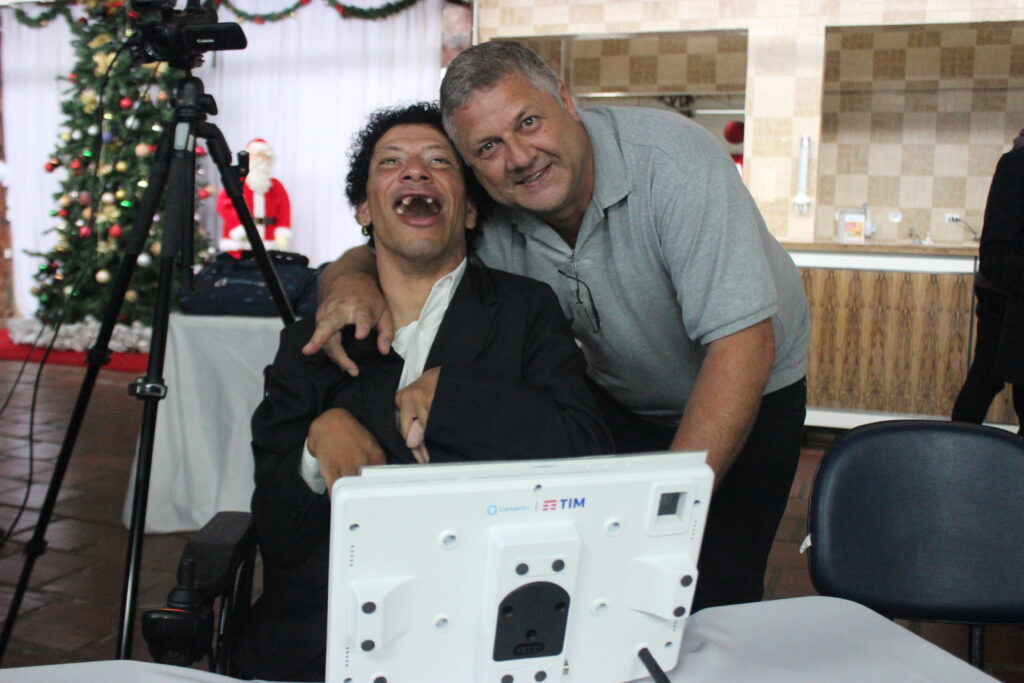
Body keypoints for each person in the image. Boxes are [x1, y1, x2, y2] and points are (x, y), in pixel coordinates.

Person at [307, 41, 811, 613]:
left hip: (748, 385)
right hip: (620, 399)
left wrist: (664, 512)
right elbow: (400, 242)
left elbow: (743, 344)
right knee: (605, 584)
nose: (519, 157)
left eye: (528, 122)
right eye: (488, 146)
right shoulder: (492, 207)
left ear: (566, 101)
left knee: (714, 587)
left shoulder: (673, 163)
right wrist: (348, 278)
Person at [237, 102, 611, 681]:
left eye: (439, 161)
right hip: (332, 636)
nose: (415, 171)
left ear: (469, 210)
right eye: (391, 162)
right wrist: (316, 447)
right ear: (365, 209)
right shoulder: (312, 340)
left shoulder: (526, 311)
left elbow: (587, 452)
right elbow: (279, 537)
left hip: (487, 630)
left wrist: (456, 400)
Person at [951, 140, 1024, 433]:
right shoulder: (1016, 166)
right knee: (986, 376)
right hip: (1005, 300)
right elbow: (994, 255)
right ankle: (955, 450)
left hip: (1005, 295)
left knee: (985, 377)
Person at [216, 138, 293, 252]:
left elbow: (284, 210)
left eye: (266, 157)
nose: (263, 160)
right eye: (259, 155)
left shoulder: (276, 186)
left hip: (268, 241)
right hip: (239, 244)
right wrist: (239, 228)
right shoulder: (238, 183)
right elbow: (224, 206)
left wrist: (282, 233)